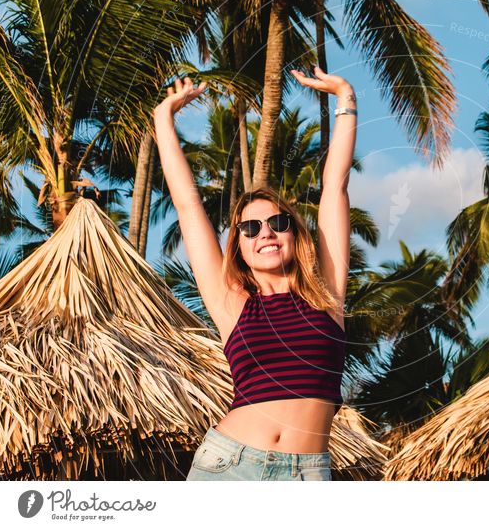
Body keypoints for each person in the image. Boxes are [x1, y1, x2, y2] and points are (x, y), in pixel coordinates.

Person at [152, 66, 357, 481]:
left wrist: (345, 98)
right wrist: (163, 119)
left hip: (307, 476)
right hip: (230, 467)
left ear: (294, 234)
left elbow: (334, 185)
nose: (265, 232)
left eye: (277, 223)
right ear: (240, 247)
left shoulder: (326, 294)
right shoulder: (232, 305)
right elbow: (189, 205)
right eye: (250, 228)